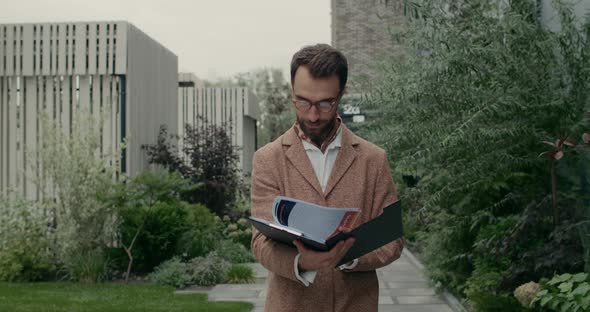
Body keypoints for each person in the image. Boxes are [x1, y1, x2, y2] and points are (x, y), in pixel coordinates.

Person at [250, 43, 404, 312]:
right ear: (292, 94)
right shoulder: (267, 159)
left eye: (324, 103)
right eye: (303, 101)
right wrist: (302, 262)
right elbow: (260, 242)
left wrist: (351, 257)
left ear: (341, 95)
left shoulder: (373, 159)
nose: (312, 115)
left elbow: (392, 238)